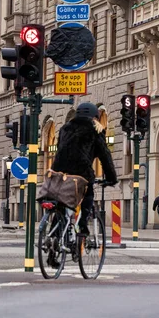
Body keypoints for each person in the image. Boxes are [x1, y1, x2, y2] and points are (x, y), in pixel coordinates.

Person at [51, 101, 118, 238]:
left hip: (58, 172)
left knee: (61, 203)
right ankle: (82, 225)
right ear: (95, 117)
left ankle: (53, 237)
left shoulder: (65, 128)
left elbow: (59, 149)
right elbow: (105, 156)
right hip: (80, 171)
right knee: (88, 194)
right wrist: (111, 178)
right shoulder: (95, 128)